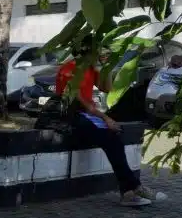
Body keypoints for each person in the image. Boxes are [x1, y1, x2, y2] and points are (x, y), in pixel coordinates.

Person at [55, 45, 158, 207]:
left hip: (87, 116)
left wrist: (104, 69)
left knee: (114, 139)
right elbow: (81, 105)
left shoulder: (90, 69)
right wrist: (106, 118)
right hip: (70, 117)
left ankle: (130, 190)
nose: (101, 55)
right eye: (98, 52)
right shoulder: (68, 70)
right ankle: (133, 188)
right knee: (110, 138)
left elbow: (108, 88)